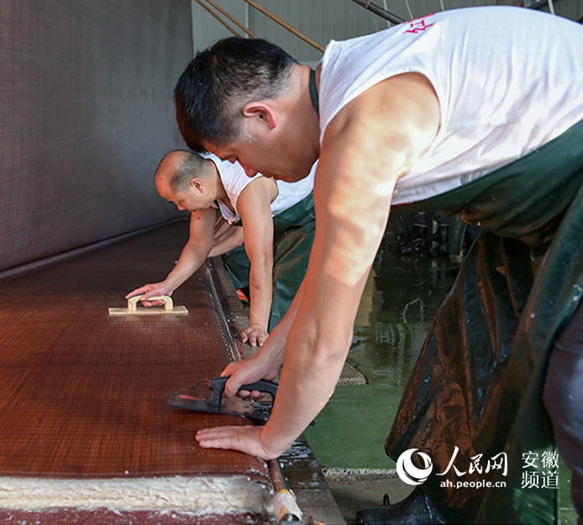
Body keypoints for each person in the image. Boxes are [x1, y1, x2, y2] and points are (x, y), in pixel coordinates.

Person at [173, 6, 583, 524]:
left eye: (236, 156)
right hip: (543, 210)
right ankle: (447, 509)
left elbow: (327, 339)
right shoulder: (346, 79)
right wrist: (269, 356)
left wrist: (271, 438)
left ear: (261, 115)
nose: (248, 170)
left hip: (570, 194)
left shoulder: (360, 132)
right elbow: (325, 275)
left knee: (573, 390)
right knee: (475, 347)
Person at [127, 150, 315, 346]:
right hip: (276, 215)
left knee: (282, 297)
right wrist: (167, 286)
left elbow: (262, 260)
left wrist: (257, 325)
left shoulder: (248, 190)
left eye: (180, 201)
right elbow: (198, 244)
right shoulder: (207, 181)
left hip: (308, 212)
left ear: (197, 185)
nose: (180, 208)